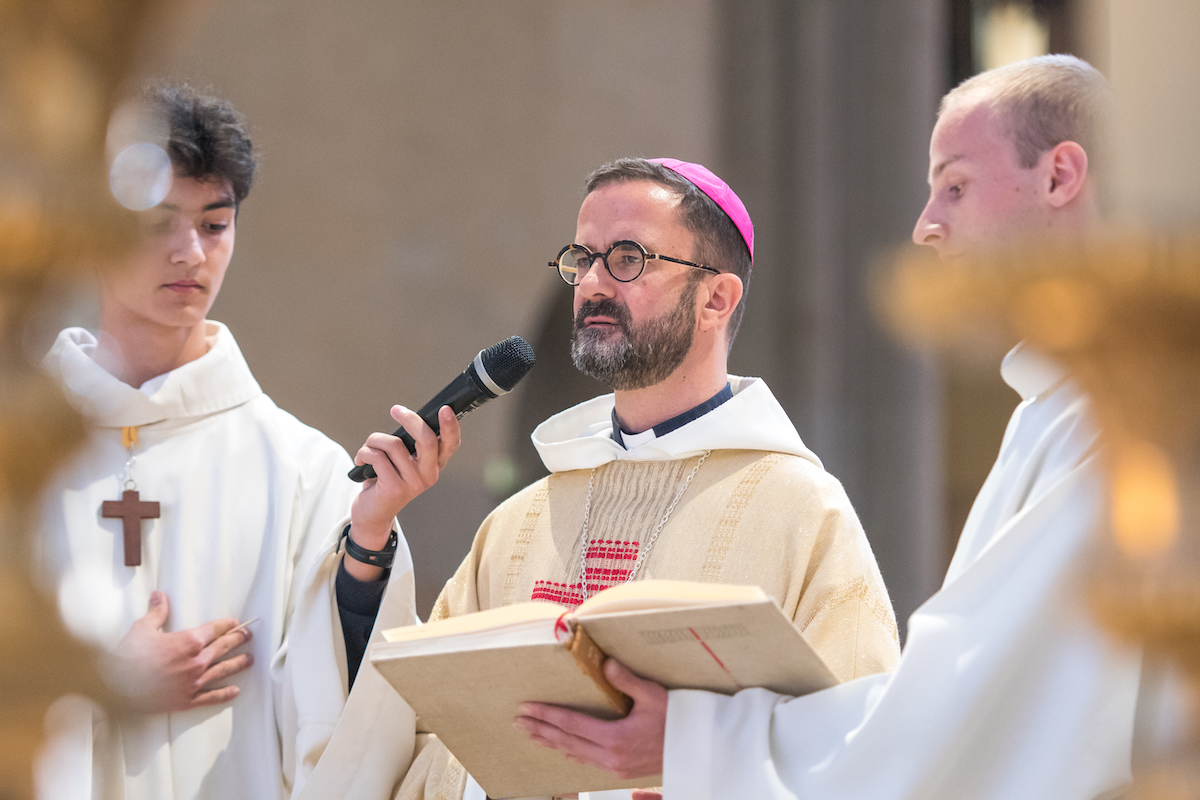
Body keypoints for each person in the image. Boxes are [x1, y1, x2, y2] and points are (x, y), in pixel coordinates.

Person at [515, 54, 1144, 800]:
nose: (926, 227)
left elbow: (971, 696)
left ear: (1061, 176)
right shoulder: (1051, 412)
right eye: (583, 258)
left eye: (955, 185)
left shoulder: (1128, 417)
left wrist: (698, 744)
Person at [387, 157, 901, 800]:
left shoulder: (800, 512)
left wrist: (693, 755)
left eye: (629, 257)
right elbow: (419, 736)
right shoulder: (518, 523)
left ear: (716, 297)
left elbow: (864, 752)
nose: (595, 282)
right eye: (584, 257)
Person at [35, 83, 457, 800]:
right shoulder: (22, 454)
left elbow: (350, 725)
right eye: (158, 223)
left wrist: (367, 549)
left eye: (215, 223)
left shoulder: (305, 472)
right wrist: (97, 686)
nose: (191, 252)